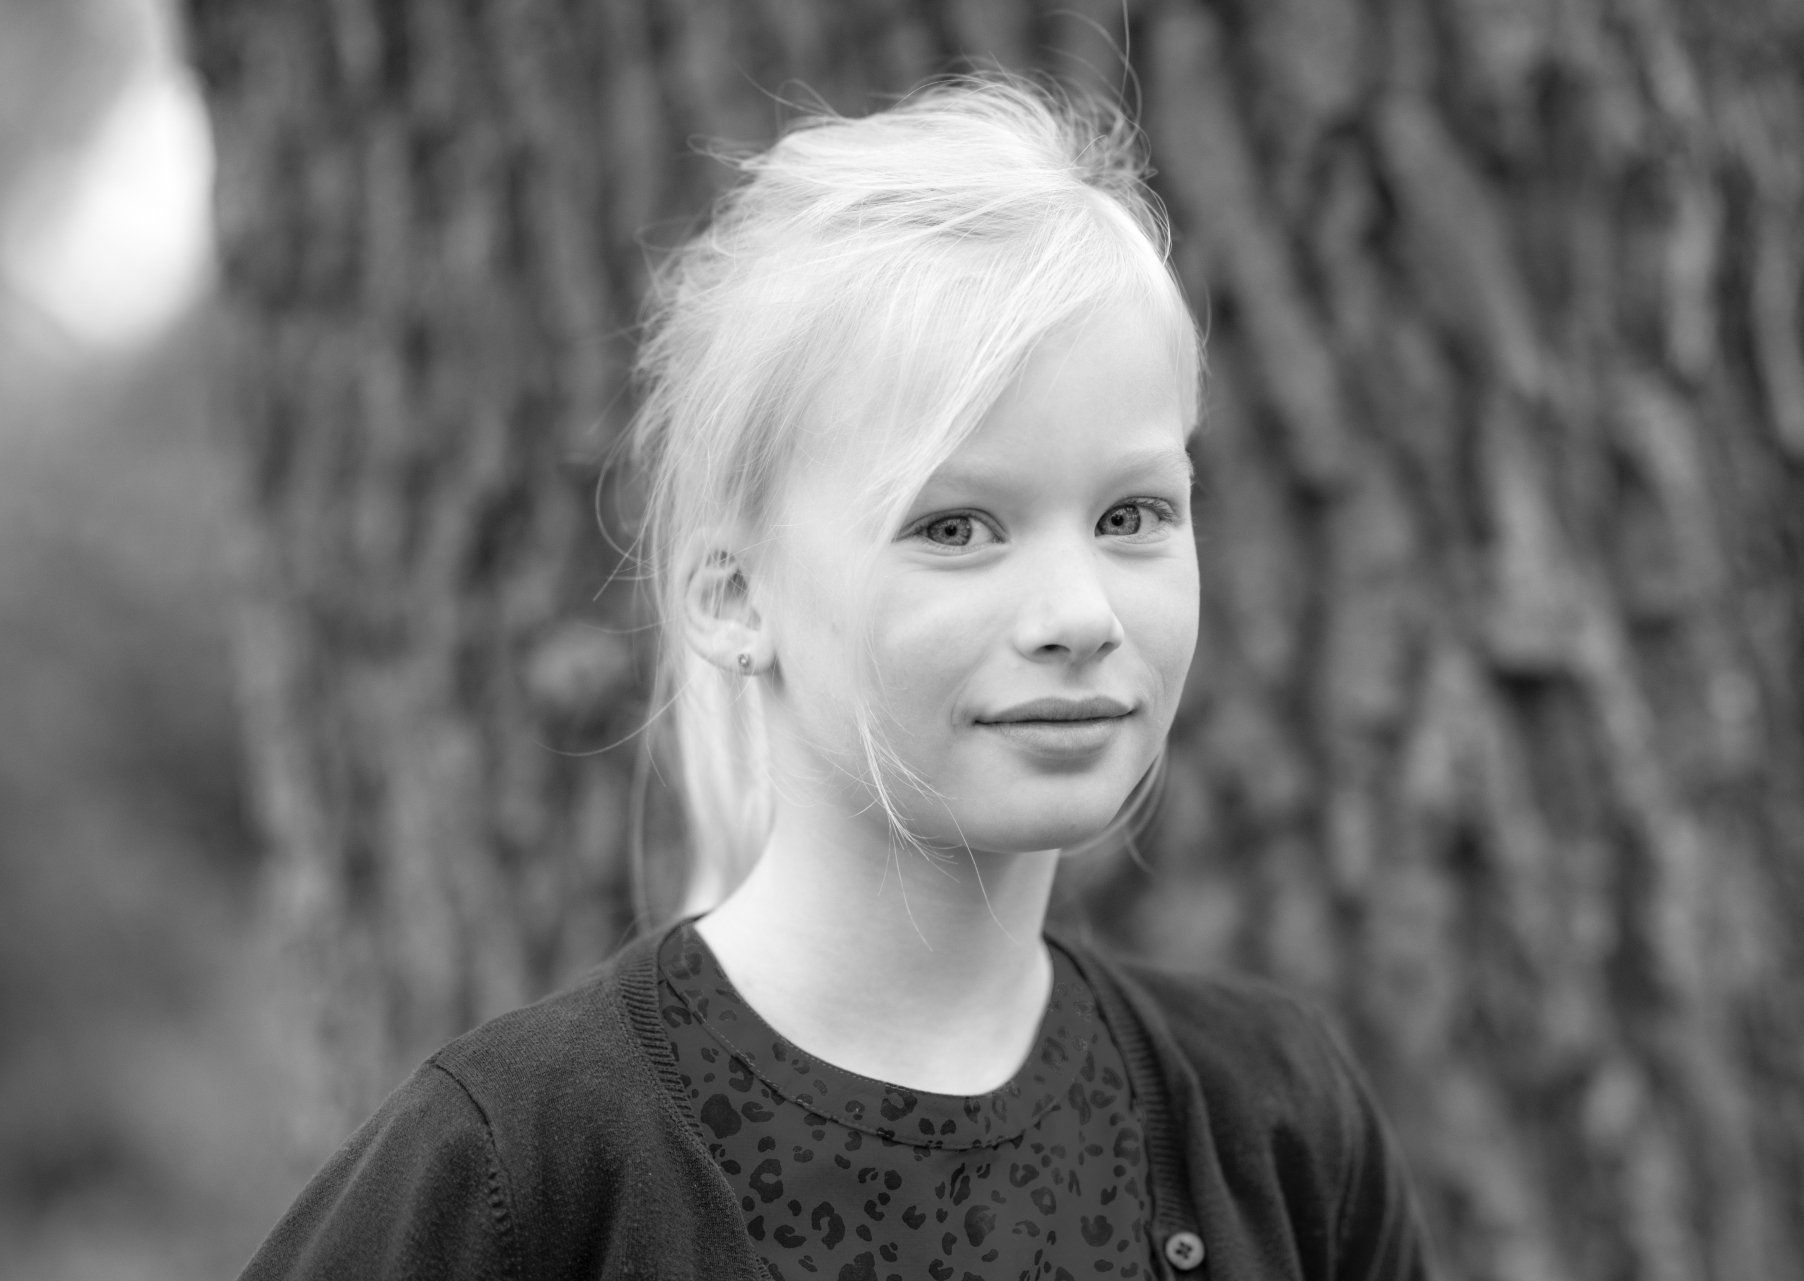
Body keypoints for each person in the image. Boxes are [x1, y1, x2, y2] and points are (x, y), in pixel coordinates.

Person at [240, 76, 1429, 1281]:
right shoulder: (525, 1169)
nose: (1081, 613)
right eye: (954, 528)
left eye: (1133, 514)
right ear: (733, 598)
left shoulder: (1275, 1124)